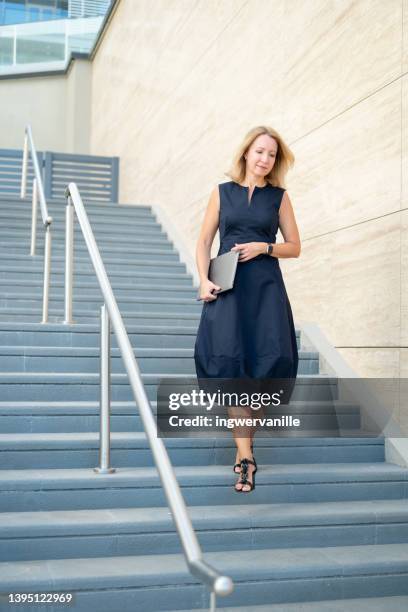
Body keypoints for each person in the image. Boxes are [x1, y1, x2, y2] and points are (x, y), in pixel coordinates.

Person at [194, 125, 301, 493]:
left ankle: (244, 447)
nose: (264, 159)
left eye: (271, 154)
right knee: (230, 367)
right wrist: (203, 279)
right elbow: (205, 239)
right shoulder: (222, 193)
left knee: (268, 366)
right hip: (229, 289)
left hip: (266, 290)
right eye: (259, 151)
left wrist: (263, 247)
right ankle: (245, 455)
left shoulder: (280, 198)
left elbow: (295, 246)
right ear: (246, 153)